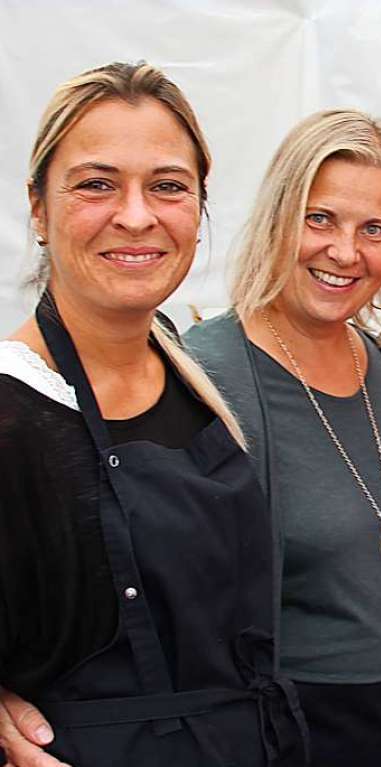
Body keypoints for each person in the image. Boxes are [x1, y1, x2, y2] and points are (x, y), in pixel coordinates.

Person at [0, 62, 307, 766]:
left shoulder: (190, 372)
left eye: (167, 186)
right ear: (39, 209)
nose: (136, 215)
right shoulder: (13, 413)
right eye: (96, 183)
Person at [184, 110, 381, 765]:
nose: (344, 251)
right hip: (292, 731)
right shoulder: (206, 372)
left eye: (374, 230)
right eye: (320, 218)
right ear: (280, 217)